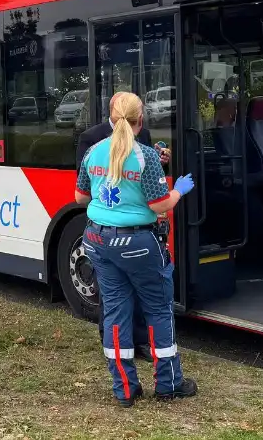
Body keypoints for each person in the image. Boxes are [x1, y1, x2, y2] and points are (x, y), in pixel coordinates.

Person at [75, 92, 197, 406]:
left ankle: (125, 389)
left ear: (111, 120)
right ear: (140, 121)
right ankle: (169, 383)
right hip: (139, 244)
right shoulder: (146, 157)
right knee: (157, 309)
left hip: (98, 241)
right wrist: (179, 190)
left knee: (115, 311)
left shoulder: (93, 152)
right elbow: (160, 203)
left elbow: (81, 199)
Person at [76, 92, 171, 359]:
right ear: (138, 117)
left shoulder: (144, 137)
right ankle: (117, 342)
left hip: (112, 232)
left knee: (129, 293)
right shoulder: (91, 139)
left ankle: (132, 350)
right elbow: (85, 186)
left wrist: (161, 160)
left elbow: (149, 176)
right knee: (119, 296)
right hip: (121, 229)